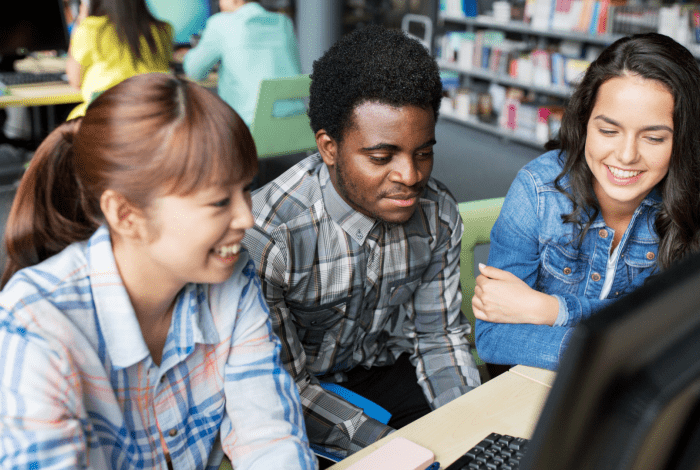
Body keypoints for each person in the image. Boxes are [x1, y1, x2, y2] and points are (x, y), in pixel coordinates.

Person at [0, 73, 317, 470]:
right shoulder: (36, 323)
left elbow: (268, 436)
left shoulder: (231, 278)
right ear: (126, 214)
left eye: (245, 190)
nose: (246, 218)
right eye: (219, 201)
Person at [242, 25, 481, 459]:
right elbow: (282, 387)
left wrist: (470, 428)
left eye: (423, 152)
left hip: (381, 369)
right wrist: (388, 448)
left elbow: (438, 338)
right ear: (329, 148)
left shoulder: (438, 212)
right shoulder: (269, 236)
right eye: (381, 157)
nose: (410, 176)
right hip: (299, 394)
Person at [473, 33, 700, 371]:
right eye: (608, 131)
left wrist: (550, 310)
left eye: (653, 138)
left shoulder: (691, 198)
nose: (625, 156)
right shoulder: (537, 190)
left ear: (683, 140)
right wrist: (626, 348)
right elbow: (494, 338)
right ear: (584, 123)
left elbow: (684, 332)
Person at [183, 0, 305, 127]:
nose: (219, 3)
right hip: (297, 125)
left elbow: (194, 71)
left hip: (248, 130)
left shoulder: (221, 23)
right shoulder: (284, 23)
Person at [65, 0, 173, 120]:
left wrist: (81, 19)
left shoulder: (91, 28)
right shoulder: (164, 30)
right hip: (153, 118)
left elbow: (75, 81)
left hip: (104, 120)